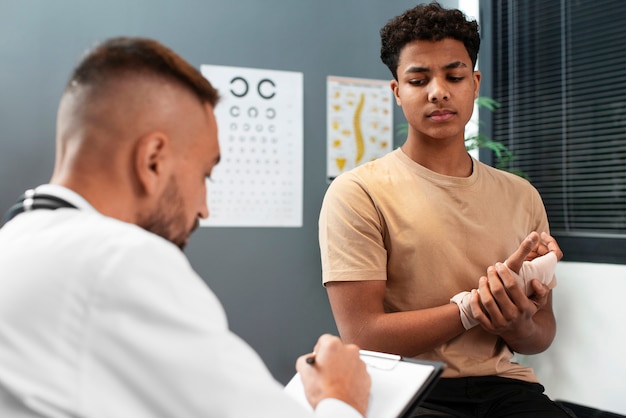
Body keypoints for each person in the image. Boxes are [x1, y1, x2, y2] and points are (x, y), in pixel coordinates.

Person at [0, 37, 371, 418]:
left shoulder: (16, 245)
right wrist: (340, 396)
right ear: (153, 161)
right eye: (205, 174)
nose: (204, 209)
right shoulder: (119, 261)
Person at [318, 3, 574, 417]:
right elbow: (364, 334)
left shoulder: (521, 195)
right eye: (419, 79)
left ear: (474, 83)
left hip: (504, 388)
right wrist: (472, 308)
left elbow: (540, 336)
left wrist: (515, 319)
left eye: (454, 76)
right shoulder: (358, 192)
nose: (438, 91)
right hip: (409, 390)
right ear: (397, 90)